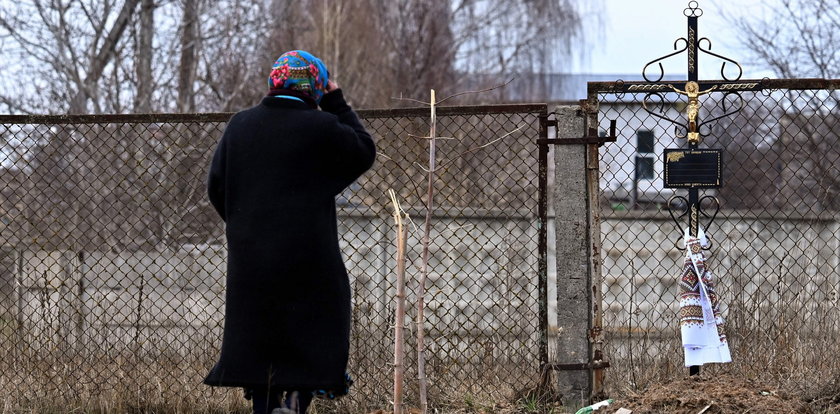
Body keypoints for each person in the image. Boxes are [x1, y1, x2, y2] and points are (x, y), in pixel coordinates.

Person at [203, 50, 376, 414]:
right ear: (314, 86)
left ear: (274, 82)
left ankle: (266, 408)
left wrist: (243, 225)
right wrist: (336, 101)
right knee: (313, 330)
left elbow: (216, 186)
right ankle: (296, 404)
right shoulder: (322, 127)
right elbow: (363, 151)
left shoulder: (240, 126)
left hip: (252, 258)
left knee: (259, 336)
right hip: (309, 256)